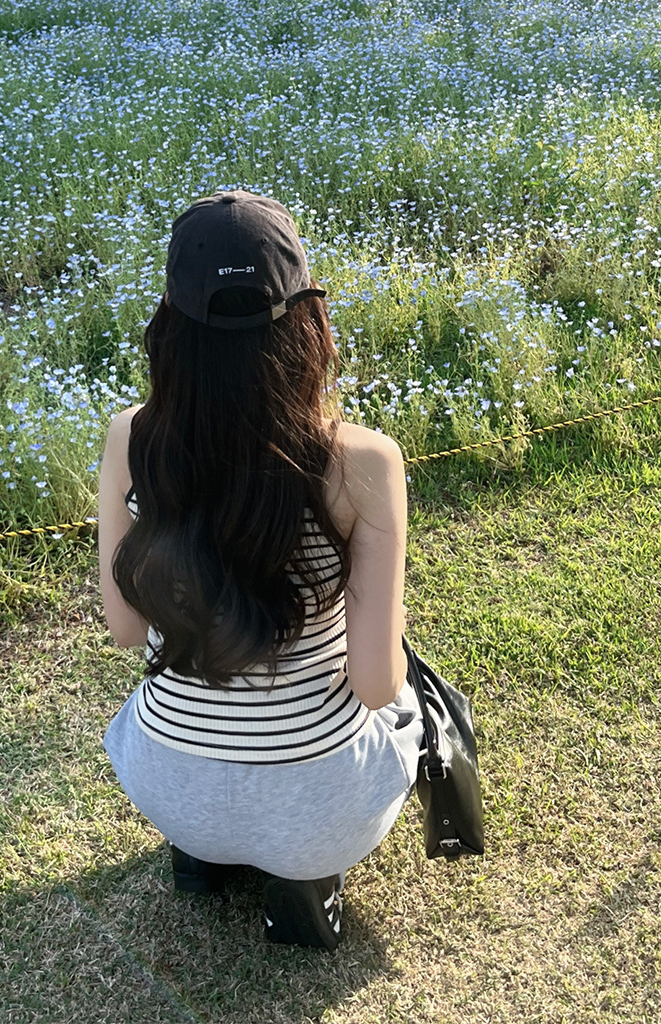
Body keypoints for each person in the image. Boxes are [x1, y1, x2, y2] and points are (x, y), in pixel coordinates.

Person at [98, 190, 423, 951]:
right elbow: (376, 684)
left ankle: (202, 858)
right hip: (322, 811)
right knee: (413, 699)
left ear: (169, 322)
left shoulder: (131, 439)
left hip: (169, 790)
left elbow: (125, 630)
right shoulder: (363, 460)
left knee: (180, 741)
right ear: (307, 321)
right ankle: (301, 883)